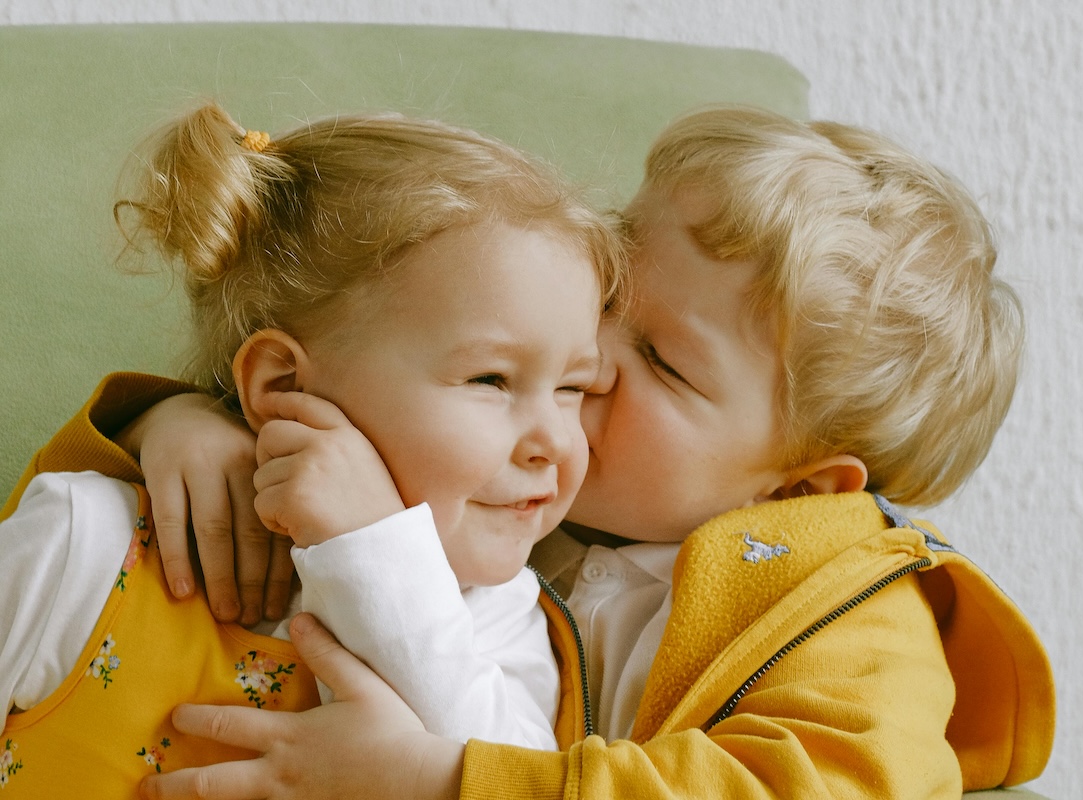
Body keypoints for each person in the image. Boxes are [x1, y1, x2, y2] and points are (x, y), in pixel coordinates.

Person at [4, 106, 1055, 799]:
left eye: (662, 361)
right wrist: (187, 422)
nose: (587, 354)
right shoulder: (534, 497)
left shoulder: (858, 623)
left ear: (798, 488)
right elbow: (369, 333)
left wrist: (442, 783)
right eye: (608, 295)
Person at [0, 102, 625, 794]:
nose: (555, 441)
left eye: (574, 387)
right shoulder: (84, 540)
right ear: (283, 386)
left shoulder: (502, 621)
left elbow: (503, 782)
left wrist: (377, 552)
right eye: (491, 379)